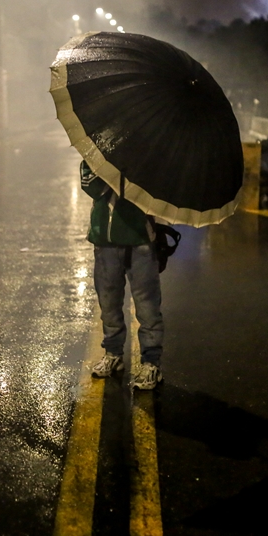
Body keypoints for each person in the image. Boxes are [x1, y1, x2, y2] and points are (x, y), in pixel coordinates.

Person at [81, 160, 165, 390]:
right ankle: (113, 353)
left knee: (147, 306)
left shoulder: (148, 156)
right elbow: (91, 186)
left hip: (140, 242)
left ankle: (151, 363)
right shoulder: (95, 153)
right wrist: (115, 170)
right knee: (108, 303)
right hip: (105, 241)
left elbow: (155, 193)